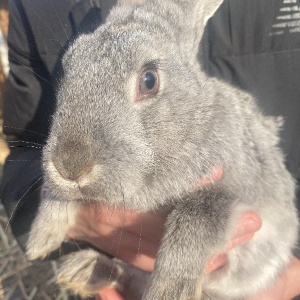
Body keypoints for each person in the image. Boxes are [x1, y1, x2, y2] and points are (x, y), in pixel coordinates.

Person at [1, 0, 299, 299]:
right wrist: (54, 199)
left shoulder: (212, 123)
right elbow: (26, 149)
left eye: (148, 81)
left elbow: (226, 199)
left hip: (267, 272)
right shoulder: (34, 9)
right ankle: (126, 276)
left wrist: (289, 280)